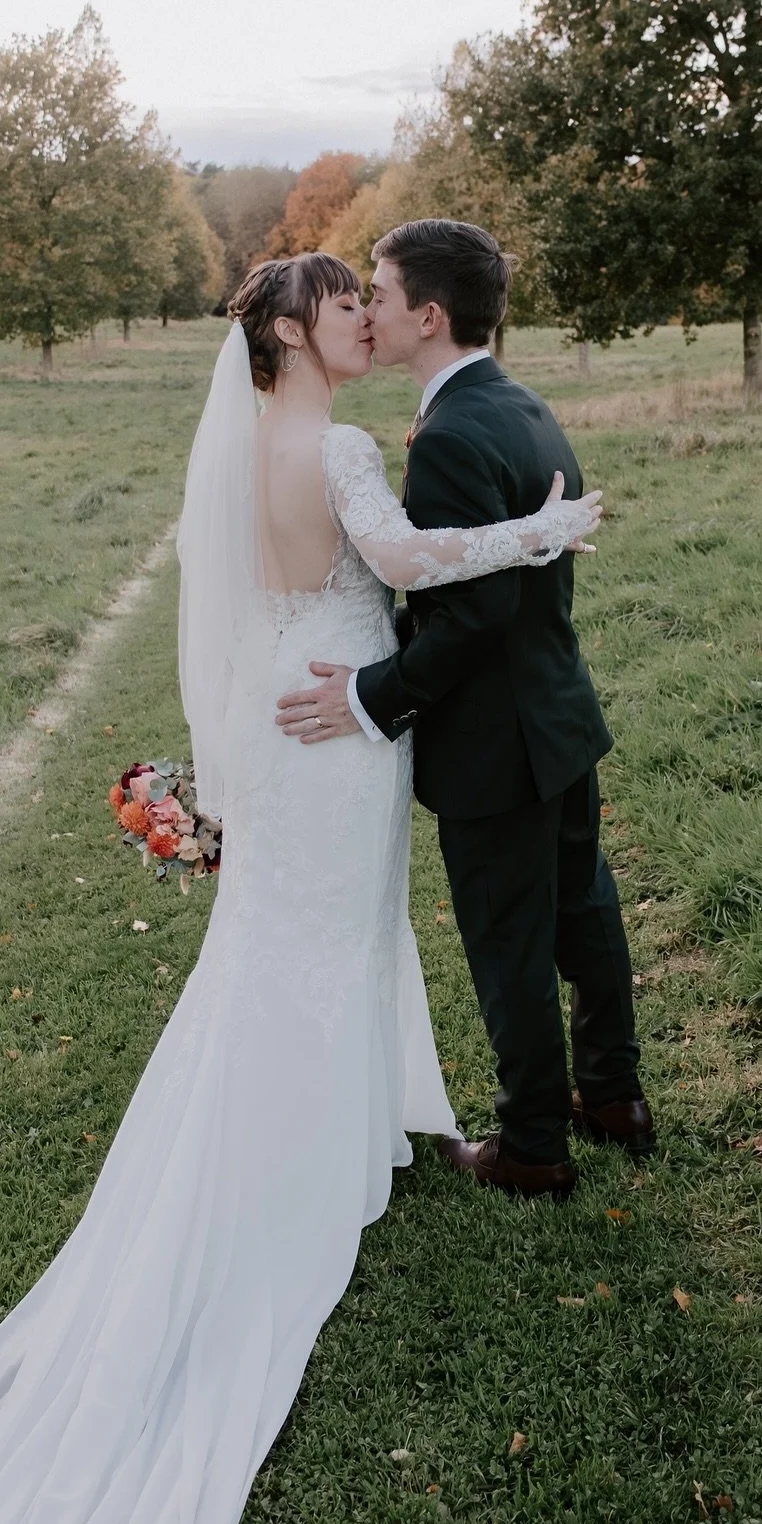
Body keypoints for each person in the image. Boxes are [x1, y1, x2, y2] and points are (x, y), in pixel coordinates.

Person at [0, 251, 602, 1524]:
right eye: (341, 303)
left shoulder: (242, 453)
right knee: (329, 943)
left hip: (287, 717)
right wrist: (539, 532)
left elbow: (237, 623)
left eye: (365, 297)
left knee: (290, 947)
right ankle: (304, 1169)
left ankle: (335, 1136)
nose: (362, 317)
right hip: (338, 729)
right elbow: (401, 557)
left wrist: (223, 778)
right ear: (287, 330)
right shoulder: (334, 446)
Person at [277, 219, 654, 1202]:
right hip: (560, 715)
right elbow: (504, 590)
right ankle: (615, 1095)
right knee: (585, 910)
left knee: (510, 940)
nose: (371, 310)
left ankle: (532, 1143)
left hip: (496, 742)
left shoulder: (447, 435)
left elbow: (473, 615)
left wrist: (370, 694)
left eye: (382, 293)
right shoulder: (521, 402)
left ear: (429, 315)